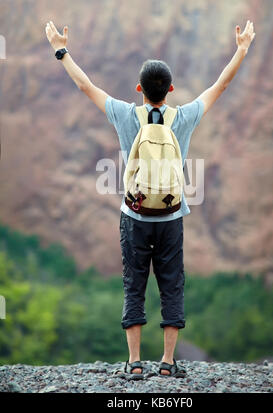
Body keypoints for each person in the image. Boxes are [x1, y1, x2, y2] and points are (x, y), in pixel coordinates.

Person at [45, 19, 255, 377]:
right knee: (171, 283)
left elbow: (85, 85)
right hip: (171, 217)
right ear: (171, 89)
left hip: (135, 215)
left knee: (134, 282)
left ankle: (134, 363)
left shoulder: (126, 114)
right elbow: (221, 84)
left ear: (138, 88)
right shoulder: (184, 117)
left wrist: (60, 49)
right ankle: (168, 364)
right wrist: (242, 48)